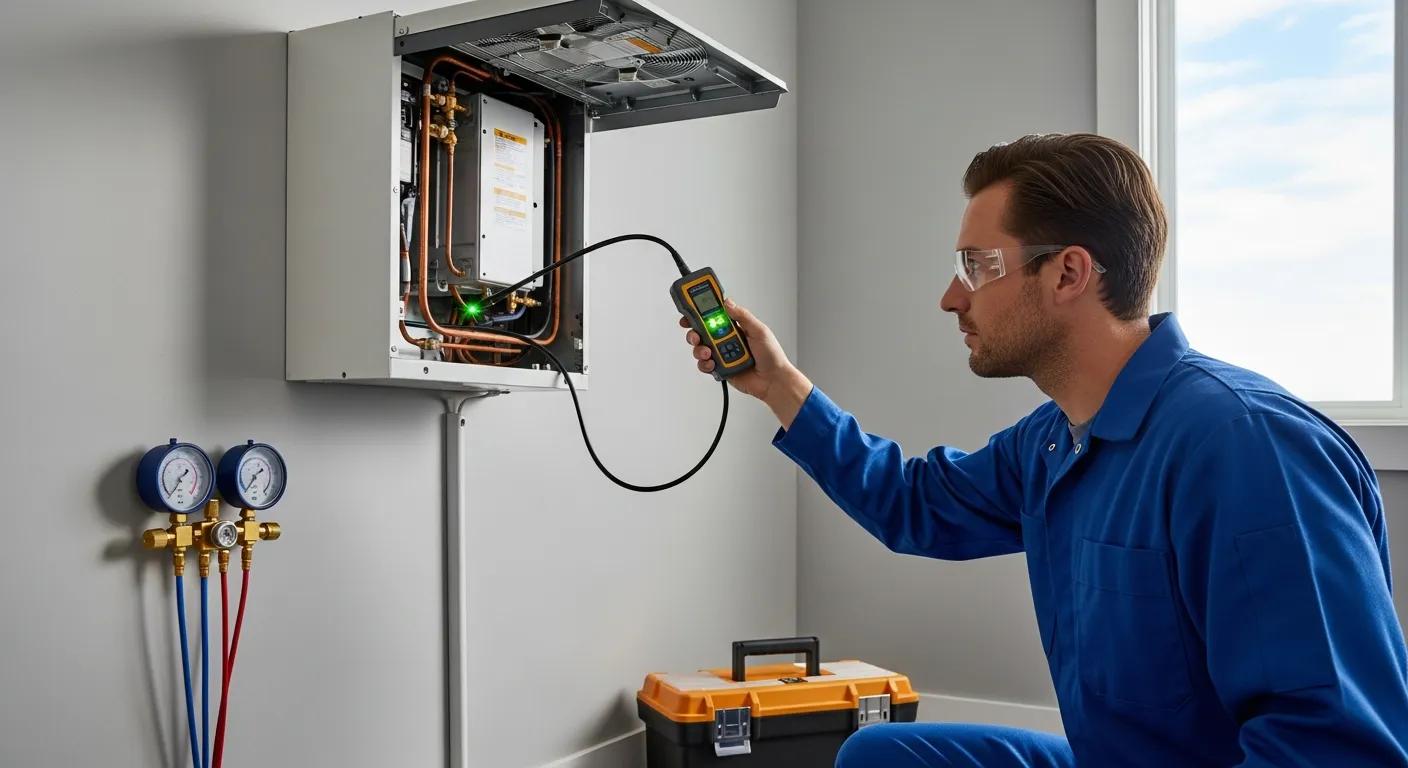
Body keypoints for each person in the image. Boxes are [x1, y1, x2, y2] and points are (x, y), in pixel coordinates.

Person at [679, 133, 1408, 767]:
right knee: (882, 754)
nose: (951, 297)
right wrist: (778, 384)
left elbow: (1334, 746)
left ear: (1068, 273)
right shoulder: (1055, 440)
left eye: (977, 266)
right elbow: (914, 504)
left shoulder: (1248, 449)